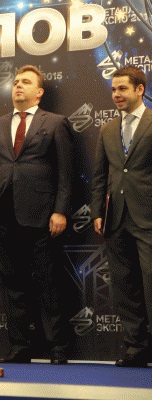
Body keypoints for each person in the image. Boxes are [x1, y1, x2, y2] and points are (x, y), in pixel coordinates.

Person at [0, 65, 73, 364]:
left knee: (49, 282)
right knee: (11, 282)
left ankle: (57, 347)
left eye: (26, 82)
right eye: (16, 82)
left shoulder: (56, 122)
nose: (18, 86)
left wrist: (60, 211)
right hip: (4, 215)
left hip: (43, 215)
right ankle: (19, 346)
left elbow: (66, 173)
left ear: (39, 91)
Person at [91, 65, 152, 368]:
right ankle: (136, 347)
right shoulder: (107, 129)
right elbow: (100, 176)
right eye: (114, 89)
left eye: (123, 89)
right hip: (115, 218)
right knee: (125, 286)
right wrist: (97, 213)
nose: (116, 94)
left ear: (140, 89)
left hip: (148, 216)